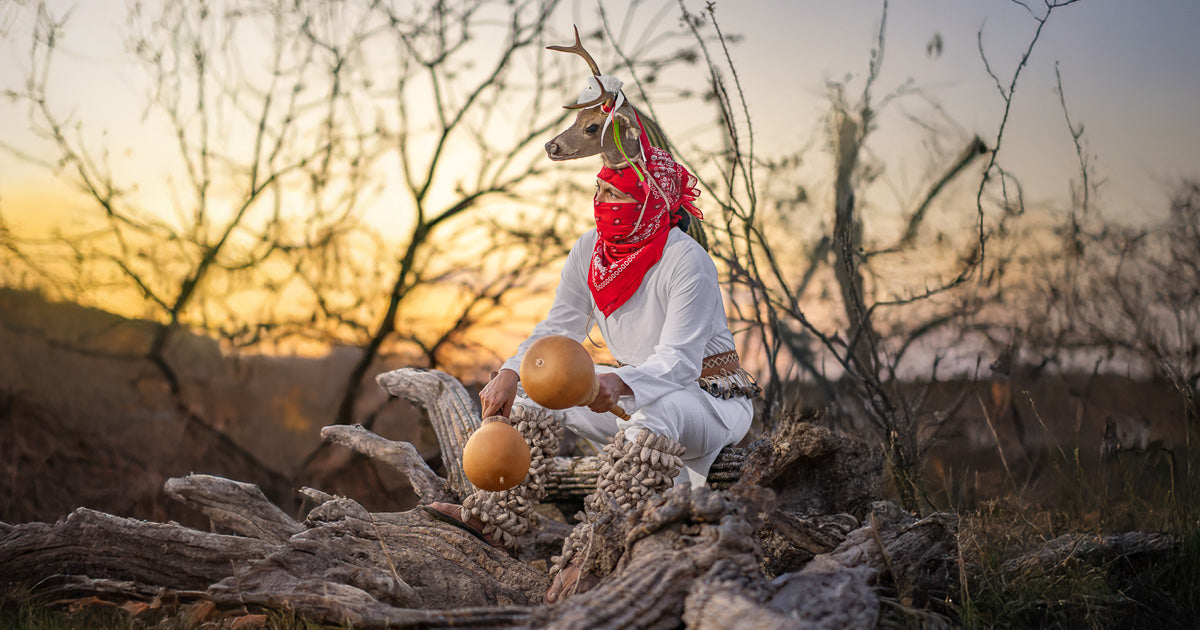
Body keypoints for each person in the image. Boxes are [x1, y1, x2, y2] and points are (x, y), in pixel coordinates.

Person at [428, 109, 758, 603]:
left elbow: (680, 364)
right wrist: (512, 372)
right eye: (601, 192)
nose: (605, 204)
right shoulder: (590, 251)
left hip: (706, 403)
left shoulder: (687, 261)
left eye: (619, 195)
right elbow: (558, 329)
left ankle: (592, 556)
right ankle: (495, 518)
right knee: (535, 397)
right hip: (632, 398)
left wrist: (619, 385)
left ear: (650, 201)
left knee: (659, 409)